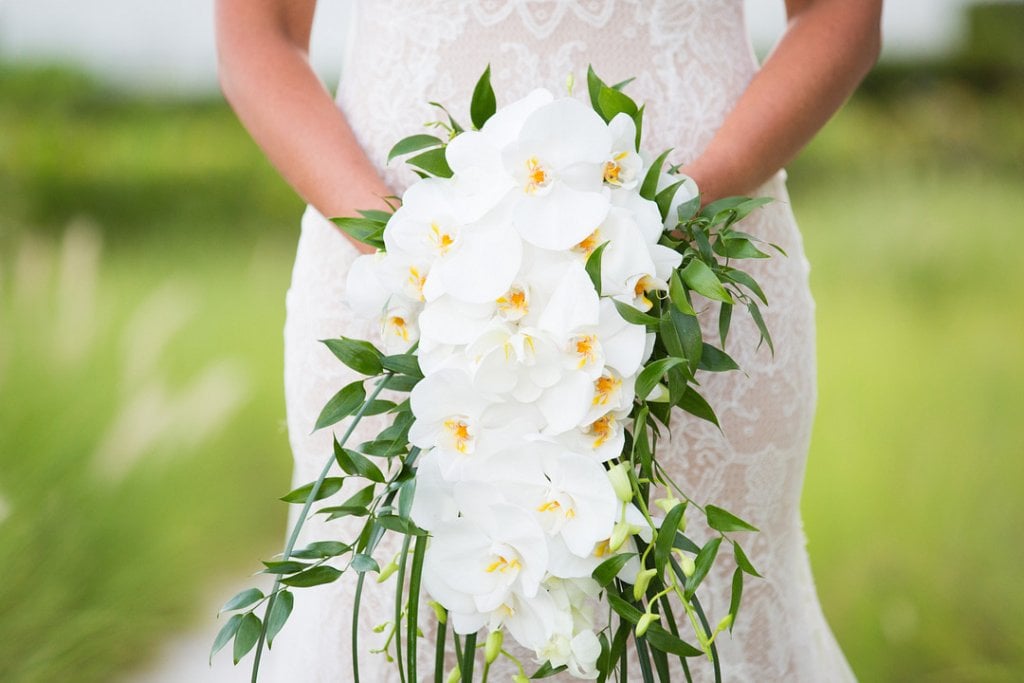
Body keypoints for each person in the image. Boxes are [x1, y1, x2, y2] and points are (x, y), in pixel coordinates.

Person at [215, 1, 882, 680]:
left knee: (698, 619)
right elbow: (255, 33)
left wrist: (663, 227)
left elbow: (840, 14)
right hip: (396, 283)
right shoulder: (403, 267)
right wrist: (413, 258)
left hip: (688, 284)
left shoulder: (678, 256)